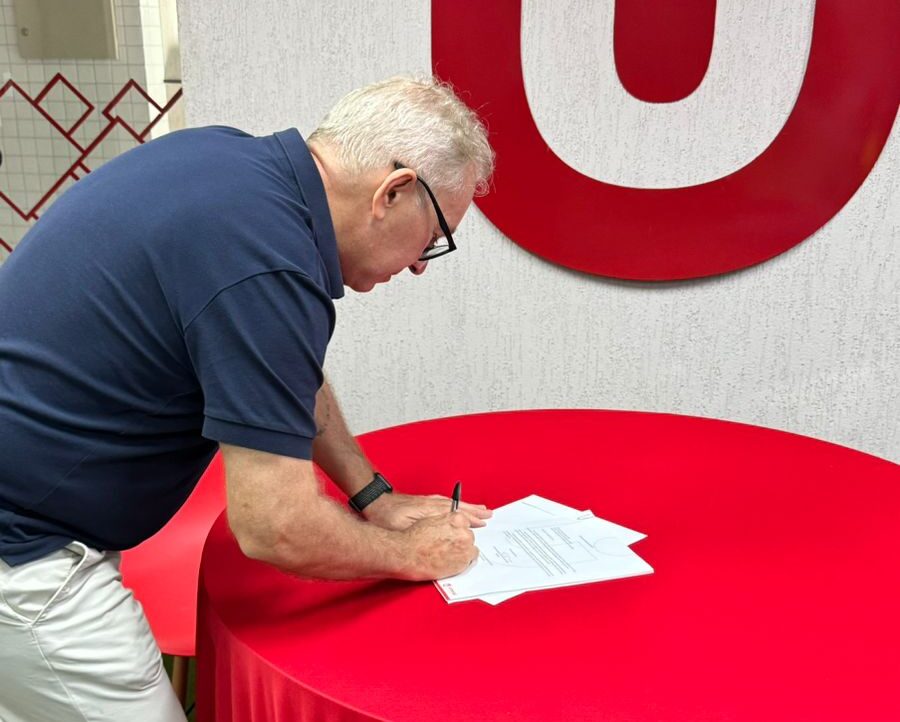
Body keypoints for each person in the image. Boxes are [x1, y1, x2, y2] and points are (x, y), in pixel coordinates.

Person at [0, 75, 495, 721]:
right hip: (28, 553)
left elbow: (282, 371)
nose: (422, 264)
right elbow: (274, 528)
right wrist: (412, 555)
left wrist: (371, 495)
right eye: (434, 236)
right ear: (392, 192)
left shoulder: (231, 165)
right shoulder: (267, 261)